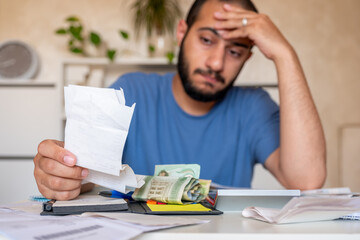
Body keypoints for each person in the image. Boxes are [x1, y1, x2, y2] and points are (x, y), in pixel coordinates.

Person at [33, 0, 326, 200]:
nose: (215, 63)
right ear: (182, 33)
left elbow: (306, 181)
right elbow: (84, 173)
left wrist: (285, 55)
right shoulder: (130, 91)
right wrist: (62, 176)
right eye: (207, 40)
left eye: (235, 51)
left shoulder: (253, 107)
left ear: (248, 57)